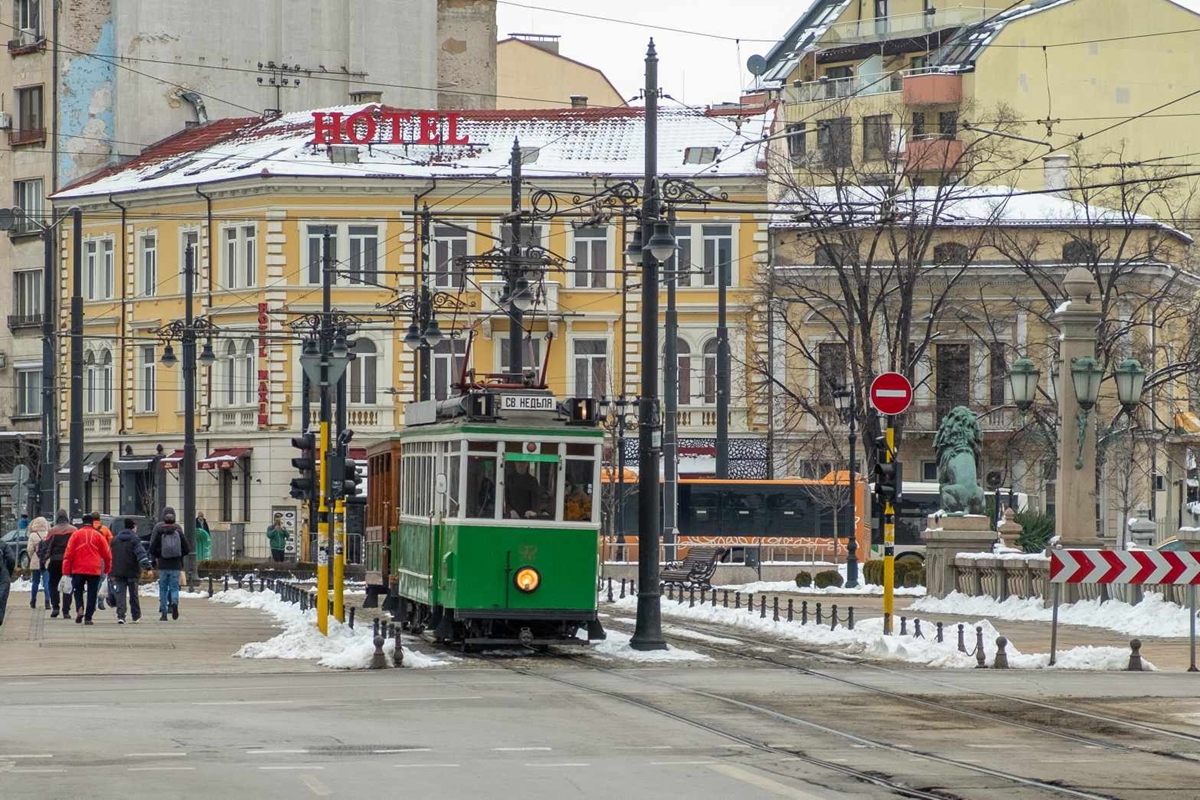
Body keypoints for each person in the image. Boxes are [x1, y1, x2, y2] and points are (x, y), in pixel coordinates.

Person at [61, 517, 112, 625]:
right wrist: (107, 568)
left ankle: (79, 607)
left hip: (78, 568)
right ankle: (88, 617)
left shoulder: (76, 535)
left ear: (83, 523)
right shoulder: (98, 536)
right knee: (92, 593)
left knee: (78, 591)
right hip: (94, 569)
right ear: (93, 523)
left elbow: (68, 554)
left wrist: (66, 571)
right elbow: (107, 554)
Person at [150, 507, 190, 621]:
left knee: (163, 588)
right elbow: (187, 548)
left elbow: (152, 547)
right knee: (174, 587)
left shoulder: (158, 529)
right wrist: (180, 556)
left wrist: (156, 557)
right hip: (176, 564)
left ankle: (163, 613)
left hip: (163, 564)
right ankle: (174, 603)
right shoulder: (178, 530)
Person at [110, 518, 152, 624]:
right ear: (133, 527)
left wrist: (109, 569)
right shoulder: (135, 539)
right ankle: (136, 615)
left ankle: (121, 616)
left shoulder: (115, 540)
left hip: (118, 571)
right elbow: (141, 554)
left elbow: (110, 555)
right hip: (132, 571)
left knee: (120, 594)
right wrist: (148, 567)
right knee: (133, 594)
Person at [44, 511, 76, 619]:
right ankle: (66, 611)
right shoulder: (73, 530)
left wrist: (44, 560)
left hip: (54, 560)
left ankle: (55, 607)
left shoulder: (52, 531)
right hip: (69, 561)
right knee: (68, 584)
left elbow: (46, 545)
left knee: (53, 584)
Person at [87, 512, 113, 610]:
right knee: (101, 580)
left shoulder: (88, 530)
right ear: (99, 519)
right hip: (101, 558)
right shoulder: (105, 529)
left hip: (90, 557)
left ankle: (91, 603)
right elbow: (111, 542)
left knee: (91, 581)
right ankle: (100, 601)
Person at [25, 516, 51, 610]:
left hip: (36, 560)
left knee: (35, 582)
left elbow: (29, 549)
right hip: (46, 561)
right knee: (46, 582)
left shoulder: (33, 535)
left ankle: (33, 601)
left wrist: (33, 557)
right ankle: (47, 601)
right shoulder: (48, 534)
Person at [0, 532, 13, 627]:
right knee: (1, 598)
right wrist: (8, 572)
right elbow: (11, 559)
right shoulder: (3, 545)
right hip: (2, 574)